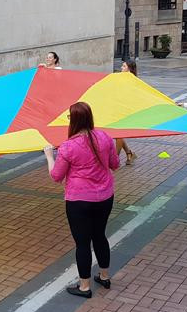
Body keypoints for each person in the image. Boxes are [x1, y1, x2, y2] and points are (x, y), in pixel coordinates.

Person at [44, 102, 120, 298]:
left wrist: (49, 156)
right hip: (104, 197)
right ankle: (104, 276)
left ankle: (84, 287)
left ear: (74, 120)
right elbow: (115, 164)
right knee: (100, 236)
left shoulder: (68, 147)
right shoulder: (104, 137)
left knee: (83, 243)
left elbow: (56, 176)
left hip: (79, 200)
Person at [116, 60, 139, 165]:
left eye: (124, 66)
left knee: (118, 134)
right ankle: (129, 153)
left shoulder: (132, 80)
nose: (121, 67)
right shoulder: (122, 79)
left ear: (129, 69)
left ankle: (115, 159)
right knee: (118, 134)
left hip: (125, 111)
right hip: (118, 109)